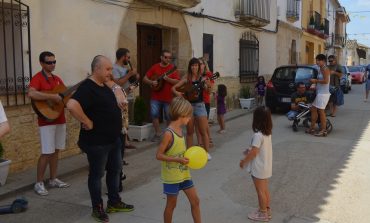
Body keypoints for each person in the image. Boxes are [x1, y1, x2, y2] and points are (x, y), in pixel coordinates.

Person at [66, 55, 134, 222]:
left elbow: (115, 90)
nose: (110, 72)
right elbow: (71, 105)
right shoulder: (88, 87)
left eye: (111, 69)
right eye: (108, 69)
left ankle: (114, 201)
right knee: (96, 175)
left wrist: (118, 96)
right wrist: (86, 121)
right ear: (96, 69)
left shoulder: (103, 84)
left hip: (113, 139)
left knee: (115, 170)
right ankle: (97, 208)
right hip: (97, 142)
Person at [28, 51, 70, 196]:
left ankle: (53, 179)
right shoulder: (38, 78)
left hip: (60, 118)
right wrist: (52, 96)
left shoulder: (57, 79)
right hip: (46, 121)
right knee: (47, 152)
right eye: (49, 62)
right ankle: (39, 183)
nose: (52, 65)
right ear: (41, 63)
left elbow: (66, 96)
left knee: (56, 150)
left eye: (54, 62)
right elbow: (32, 94)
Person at [156, 97, 201, 223]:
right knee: (171, 205)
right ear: (182, 114)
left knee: (195, 201)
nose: (190, 118)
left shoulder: (181, 130)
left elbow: (180, 151)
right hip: (172, 177)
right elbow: (159, 155)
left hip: (184, 174)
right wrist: (177, 160)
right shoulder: (168, 133)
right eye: (189, 115)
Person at [172, 58, 212, 160]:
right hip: (188, 107)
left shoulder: (203, 78)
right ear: (190, 67)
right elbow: (173, 88)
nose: (194, 67)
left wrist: (208, 85)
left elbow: (208, 90)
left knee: (203, 131)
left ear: (199, 67)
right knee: (189, 132)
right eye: (192, 65)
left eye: (196, 65)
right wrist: (178, 94)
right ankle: (188, 154)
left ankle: (206, 153)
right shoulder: (187, 78)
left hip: (200, 106)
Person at [239, 106, 273, 222]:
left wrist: (244, 161)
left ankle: (263, 214)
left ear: (257, 120)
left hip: (258, 168)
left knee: (260, 192)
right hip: (266, 166)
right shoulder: (267, 133)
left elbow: (255, 152)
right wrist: (249, 150)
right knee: (264, 190)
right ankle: (266, 209)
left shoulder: (257, 135)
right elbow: (257, 148)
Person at [143, 50, 180, 142]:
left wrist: (167, 79)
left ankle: (168, 135)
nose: (168, 59)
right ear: (161, 57)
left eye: (169, 58)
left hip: (168, 97)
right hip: (155, 96)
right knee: (154, 114)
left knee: (168, 116)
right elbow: (144, 78)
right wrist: (151, 82)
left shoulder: (172, 68)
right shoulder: (155, 67)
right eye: (166, 57)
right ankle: (158, 133)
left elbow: (177, 81)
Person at [112, 48, 139, 150]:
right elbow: (118, 83)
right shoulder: (115, 69)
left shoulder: (124, 68)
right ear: (123, 57)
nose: (129, 59)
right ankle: (122, 145)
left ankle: (125, 142)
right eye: (128, 57)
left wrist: (135, 78)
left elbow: (129, 81)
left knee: (125, 122)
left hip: (126, 96)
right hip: (119, 99)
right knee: (121, 123)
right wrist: (130, 74)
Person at [306, 54, 330, 137]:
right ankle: (312, 128)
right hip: (320, 93)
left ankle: (323, 130)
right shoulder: (320, 68)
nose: (317, 62)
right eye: (316, 60)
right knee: (313, 109)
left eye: (318, 60)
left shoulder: (325, 69)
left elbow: (326, 81)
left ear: (323, 61)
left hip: (323, 94)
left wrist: (315, 80)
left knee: (321, 112)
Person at [195, 58, 214, 147]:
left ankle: (209, 139)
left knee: (204, 123)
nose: (200, 65)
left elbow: (210, 89)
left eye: (201, 64)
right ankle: (200, 142)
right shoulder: (195, 74)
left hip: (205, 100)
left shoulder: (208, 75)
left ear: (204, 65)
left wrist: (207, 84)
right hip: (194, 101)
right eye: (198, 64)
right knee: (196, 123)